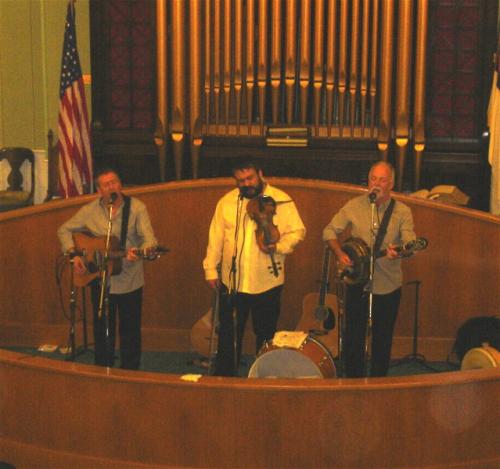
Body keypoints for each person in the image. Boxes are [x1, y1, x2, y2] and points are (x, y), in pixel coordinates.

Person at [203, 158, 306, 376]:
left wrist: (278, 246)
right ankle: (225, 379)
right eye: (241, 180)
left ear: (260, 173)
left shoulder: (281, 200)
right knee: (229, 335)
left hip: (268, 280)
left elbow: (299, 231)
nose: (246, 183)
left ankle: (263, 378)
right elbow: (216, 238)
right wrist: (210, 269)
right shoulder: (227, 202)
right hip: (233, 281)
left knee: (265, 335)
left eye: (250, 178)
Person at [323, 161, 417, 377]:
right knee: (353, 335)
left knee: (382, 338)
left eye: (382, 179)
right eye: (373, 178)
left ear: (391, 183)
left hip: (388, 285)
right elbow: (328, 231)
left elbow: (410, 243)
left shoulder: (402, 211)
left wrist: (401, 251)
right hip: (357, 282)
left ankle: (378, 383)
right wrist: (340, 254)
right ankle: (353, 380)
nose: (376, 183)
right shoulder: (354, 205)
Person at [57, 168, 158, 370]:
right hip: (101, 278)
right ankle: (102, 369)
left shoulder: (137, 208)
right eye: (106, 184)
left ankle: (130, 371)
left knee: (129, 329)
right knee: (103, 327)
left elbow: (150, 240)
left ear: (120, 185)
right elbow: (64, 230)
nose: (111, 187)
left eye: (114, 182)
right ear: (99, 190)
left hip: (130, 278)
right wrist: (74, 254)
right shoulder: (90, 210)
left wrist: (140, 251)